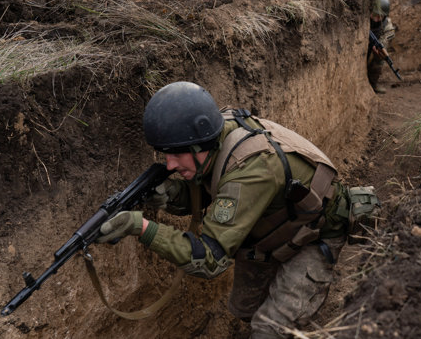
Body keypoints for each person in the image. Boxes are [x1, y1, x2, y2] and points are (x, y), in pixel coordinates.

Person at [96, 81, 376, 338]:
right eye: (164, 154)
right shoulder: (214, 138)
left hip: (315, 234)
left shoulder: (251, 170)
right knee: (244, 309)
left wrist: (142, 228)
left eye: (177, 154)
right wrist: (167, 194)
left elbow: (209, 260)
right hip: (270, 230)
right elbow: (207, 192)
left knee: (270, 329)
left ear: (199, 144)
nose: (169, 165)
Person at [368, 0, 396, 94]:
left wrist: (378, 49)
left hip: (372, 49)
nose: (376, 19)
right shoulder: (364, 18)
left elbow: (385, 40)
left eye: (379, 16)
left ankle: (373, 83)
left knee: (379, 58)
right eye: (374, 14)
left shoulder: (388, 26)